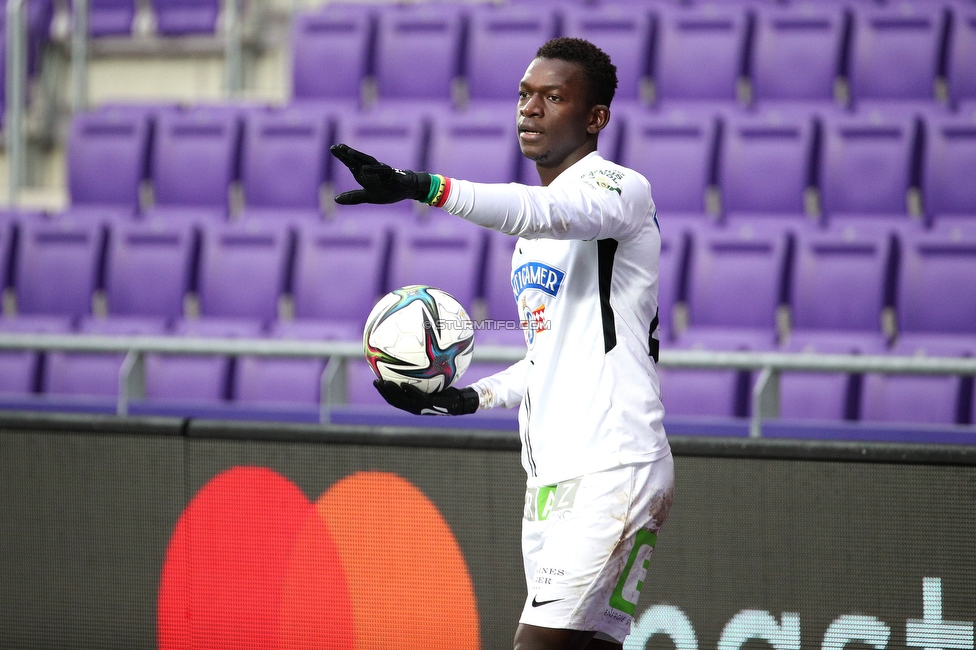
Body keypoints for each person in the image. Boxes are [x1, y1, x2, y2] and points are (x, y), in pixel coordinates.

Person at [331, 37, 673, 650]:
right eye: (524, 94)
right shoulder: (530, 238)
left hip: (613, 465)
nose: (530, 109)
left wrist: (421, 185)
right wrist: (469, 399)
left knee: (535, 645)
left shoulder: (622, 192)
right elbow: (548, 356)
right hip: (549, 480)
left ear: (595, 118)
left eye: (553, 96)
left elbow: (539, 211)